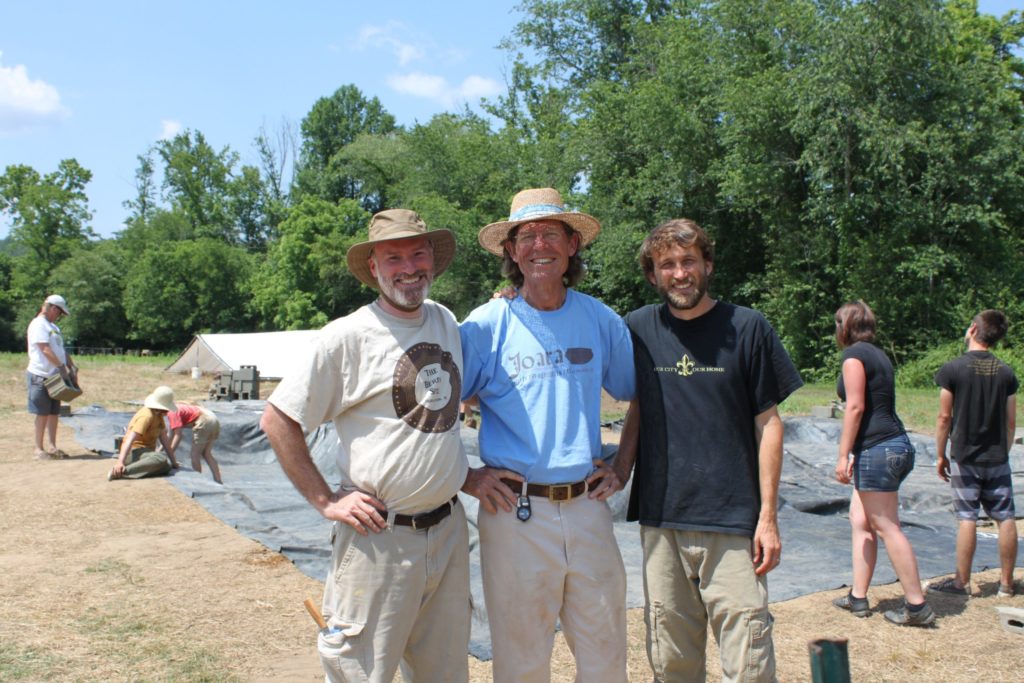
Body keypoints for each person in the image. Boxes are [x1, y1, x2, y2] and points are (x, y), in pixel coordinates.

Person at [259, 209, 470, 683]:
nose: (409, 267)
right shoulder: (345, 337)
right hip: (380, 539)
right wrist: (325, 499)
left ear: (433, 261)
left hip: (450, 531)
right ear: (373, 268)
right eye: (392, 257)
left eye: (418, 253)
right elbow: (278, 420)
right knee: (361, 673)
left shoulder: (444, 321)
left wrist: (467, 474)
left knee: (446, 673)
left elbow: (434, 418)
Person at [612, 218, 803, 681]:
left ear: (708, 265)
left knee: (749, 661)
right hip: (663, 522)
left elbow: (769, 424)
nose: (680, 274)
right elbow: (637, 405)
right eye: (667, 264)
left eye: (688, 261)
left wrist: (769, 517)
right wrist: (620, 471)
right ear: (653, 274)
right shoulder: (636, 328)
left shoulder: (748, 327)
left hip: (733, 523)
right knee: (671, 660)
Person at [459, 187, 636, 683]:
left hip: (587, 510)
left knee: (605, 656)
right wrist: (465, 476)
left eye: (551, 234)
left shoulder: (600, 319)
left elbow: (638, 394)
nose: (540, 245)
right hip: (514, 512)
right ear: (511, 251)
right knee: (521, 662)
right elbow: (436, 398)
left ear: (573, 244)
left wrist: (622, 463)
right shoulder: (488, 324)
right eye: (527, 236)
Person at [828, 301, 934, 626]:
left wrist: (842, 454)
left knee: (887, 527)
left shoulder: (853, 356)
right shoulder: (878, 354)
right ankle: (858, 597)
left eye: (836, 324)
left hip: (878, 448)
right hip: (891, 446)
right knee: (861, 520)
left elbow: (856, 407)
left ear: (844, 326)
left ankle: (917, 607)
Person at [928, 309, 1018, 598]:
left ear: (972, 330)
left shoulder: (953, 369)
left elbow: (944, 418)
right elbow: (1011, 420)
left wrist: (940, 455)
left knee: (967, 516)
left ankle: (962, 583)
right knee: (1005, 517)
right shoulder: (1006, 373)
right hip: (997, 458)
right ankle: (1006, 584)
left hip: (965, 457)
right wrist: (1004, 450)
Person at [26, 294, 77, 460]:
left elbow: (60, 350)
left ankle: (53, 447)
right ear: (53, 308)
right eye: (60, 313)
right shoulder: (38, 324)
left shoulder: (53, 327)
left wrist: (71, 365)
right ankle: (38, 449)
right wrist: (61, 367)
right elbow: (45, 349)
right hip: (40, 375)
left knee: (54, 412)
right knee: (42, 413)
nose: (60, 316)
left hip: (55, 377)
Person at [109, 385, 179, 480]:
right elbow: (129, 440)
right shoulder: (146, 416)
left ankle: (139, 469)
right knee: (160, 458)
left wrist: (174, 462)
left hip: (147, 453)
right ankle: (121, 472)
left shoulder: (159, 416)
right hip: (134, 452)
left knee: (166, 466)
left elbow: (165, 440)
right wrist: (120, 462)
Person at [168, 403, 223, 484]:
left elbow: (178, 435)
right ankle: (218, 481)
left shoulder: (172, 412)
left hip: (205, 420)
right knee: (207, 453)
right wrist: (158, 452)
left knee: (195, 454)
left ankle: (199, 482)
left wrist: (171, 458)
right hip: (213, 418)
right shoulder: (178, 406)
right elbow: (169, 435)